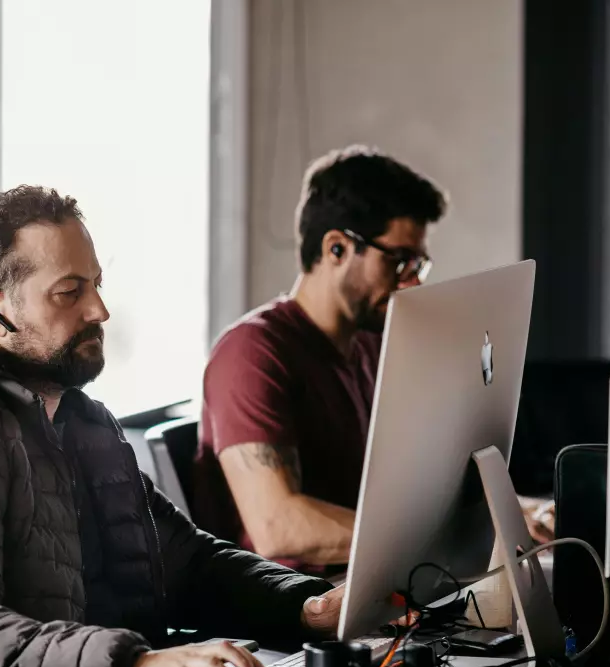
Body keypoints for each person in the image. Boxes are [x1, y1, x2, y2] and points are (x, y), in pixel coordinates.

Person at [0, 186, 344, 667]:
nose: (99, 311)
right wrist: (138, 664)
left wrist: (304, 606)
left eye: (96, 285)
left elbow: (186, 565)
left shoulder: (80, 420)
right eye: (69, 292)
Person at [194, 146, 554, 575]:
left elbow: (423, 482)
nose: (412, 280)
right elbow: (278, 526)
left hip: (373, 584)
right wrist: (450, 537)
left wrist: (517, 510)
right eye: (399, 260)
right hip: (297, 606)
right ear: (336, 248)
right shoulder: (252, 353)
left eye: (419, 263)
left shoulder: (371, 345)